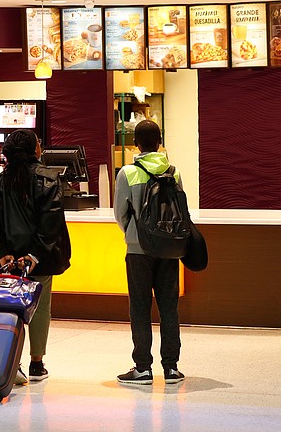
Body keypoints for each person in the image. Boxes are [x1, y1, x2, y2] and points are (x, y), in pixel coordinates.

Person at [0, 129, 71, 384]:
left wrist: (2, 253)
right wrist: (33, 255)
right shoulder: (49, 179)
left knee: (10, 308)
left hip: (8, 260)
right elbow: (50, 224)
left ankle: (11, 362)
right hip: (38, 260)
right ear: (35, 150)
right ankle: (36, 363)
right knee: (40, 308)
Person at [113, 119, 185, 385]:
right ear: (160, 141)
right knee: (169, 307)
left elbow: (120, 213)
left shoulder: (127, 173)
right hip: (168, 249)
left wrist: (132, 234)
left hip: (138, 249)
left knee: (140, 307)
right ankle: (171, 368)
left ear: (136, 143)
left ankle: (142, 367)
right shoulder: (173, 171)